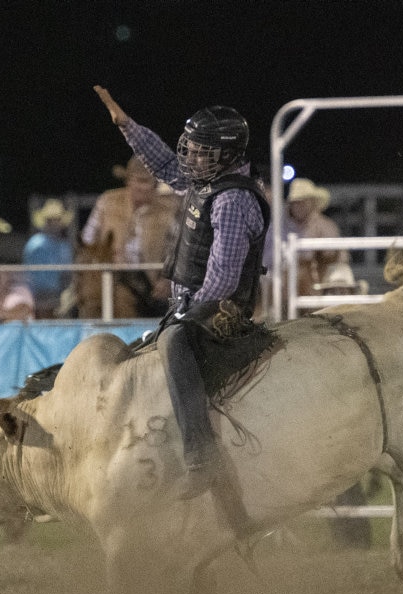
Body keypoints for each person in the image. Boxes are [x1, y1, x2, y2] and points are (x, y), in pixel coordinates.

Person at [93, 84, 270, 509]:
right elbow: (164, 164)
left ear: (225, 155)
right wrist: (127, 126)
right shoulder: (207, 182)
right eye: (190, 149)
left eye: (200, 151)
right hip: (194, 302)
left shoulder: (230, 200)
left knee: (173, 343)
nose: (189, 158)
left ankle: (201, 457)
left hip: (221, 308)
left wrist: (182, 317)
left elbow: (224, 277)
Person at [72, 156, 179, 318]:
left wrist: (167, 280)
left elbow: (177, 250)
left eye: (149, 182)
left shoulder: (167, 211)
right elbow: (87, 241)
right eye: (140, 181)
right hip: (108, 273)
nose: (145, 187)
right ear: (128, 181)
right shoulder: (107, 202)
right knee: (74, 306)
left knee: (170, 315)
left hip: (149, 281)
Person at [285, 177, 347, 297]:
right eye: (296, 202)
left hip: (322, 278)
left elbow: (338, 258)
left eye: (303, 201)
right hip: (289, 281)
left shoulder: (326, 226)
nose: (299, 206)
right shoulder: (280, 228)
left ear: (312, 202)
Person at [22, 198, 73, 318]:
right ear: (45, 222)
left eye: (57, 220)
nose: (55, 224)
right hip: (39, 295)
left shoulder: (64, 245)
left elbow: (67, 272)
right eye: (51, 220)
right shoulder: (36, 244)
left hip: (61, 293)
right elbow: (33, 276)